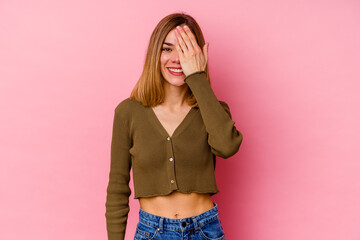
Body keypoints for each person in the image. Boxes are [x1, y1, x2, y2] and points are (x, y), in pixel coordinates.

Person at [105, 12, 243, 240]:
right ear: (154, 54)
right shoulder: (128, 112)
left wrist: (197, 78)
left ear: (198, 55)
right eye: (167, 49)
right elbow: (117, 189)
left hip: (205, 230)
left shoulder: (213, 110)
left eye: (186, 49)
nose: (177, 59)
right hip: (152, 231)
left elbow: (227, 147)